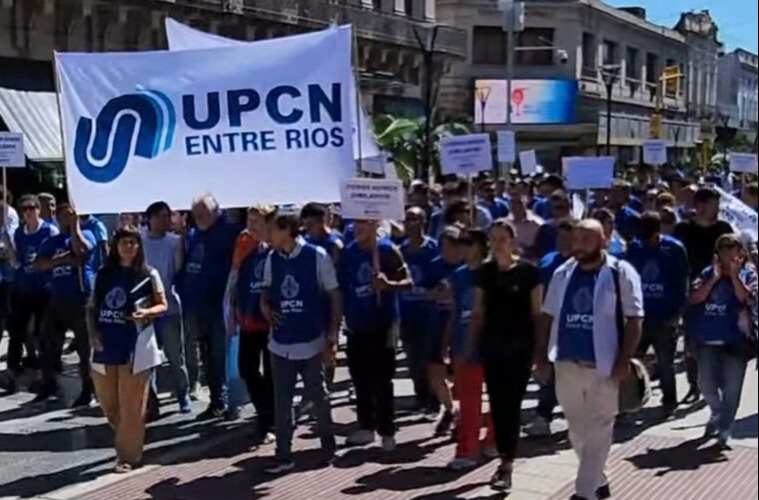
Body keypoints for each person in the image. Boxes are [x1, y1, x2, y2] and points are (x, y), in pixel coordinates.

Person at [536, 219, 644, 500]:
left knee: (599, 429)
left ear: (603, 241)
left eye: (587, 240)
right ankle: (599, 479)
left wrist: (623, 360)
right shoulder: (562, 273)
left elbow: (634, 320)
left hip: (604, 366)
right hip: (566, 363)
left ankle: (584, 493)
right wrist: (541, 358)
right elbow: (547, 316)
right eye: (576, 240)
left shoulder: (621, 273)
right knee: (576, 431)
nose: (579, 246)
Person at [260, 212, 340, 475]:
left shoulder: (317, 256)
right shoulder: (272, 258)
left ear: (286, 230)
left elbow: (334, 296)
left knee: (318, 396)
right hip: (280, 342)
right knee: (282, 401)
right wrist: (264, 306)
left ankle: (328, 446)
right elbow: (266, 290)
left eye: (272, 230)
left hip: (312, 341)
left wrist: (332, 335)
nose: (268, 235)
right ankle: (283, 454)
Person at [466, 220, 543, 492]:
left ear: (513, 241)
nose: (497, 244)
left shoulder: (529, 273)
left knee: (512, 404)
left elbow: (537, 315)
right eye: (493, 239)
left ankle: (507, 461)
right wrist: (470, 346)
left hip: (520, 349)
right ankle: (504, 457)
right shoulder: (485, 272)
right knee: (498, 406)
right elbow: (478, 312)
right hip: (492, 348)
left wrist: (540, 354)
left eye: (502, 238)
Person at [87, 227, 168, 473]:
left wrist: (147, 313)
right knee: (109, 404)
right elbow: (91, 307)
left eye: (133, 242)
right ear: (116, 246)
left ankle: (128, 457)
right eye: (124, 242)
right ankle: (129, 434)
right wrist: (92, 334)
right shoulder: (104, 274)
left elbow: (162, 304)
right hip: (105, 346)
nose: (129, 247)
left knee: (132, 406)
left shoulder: (148, 274)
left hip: (136, 346)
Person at [339, 220, 412, 451]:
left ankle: (387, 430)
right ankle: (365, 427)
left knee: (382, 380)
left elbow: (408, 282)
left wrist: (388, 284)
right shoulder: (348, 252)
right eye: (356, 223)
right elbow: (343, 288)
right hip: (356, 325)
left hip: (383, 323)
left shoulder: (387, 250)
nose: (358, 228)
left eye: (364, 223)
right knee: (360, 379)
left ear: (374, 225)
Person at [688, 234, 758, 448]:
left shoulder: (749, 274)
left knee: (732, 387)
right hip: (708, 338)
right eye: (723, 248)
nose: (728, 252)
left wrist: (735, 277)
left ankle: (724, 429)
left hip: (737, 340)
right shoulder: (708, 273)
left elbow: (747, 299)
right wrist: (714, 279)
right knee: (706, 383)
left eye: (732, 247)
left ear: (740, 252)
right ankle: (717, 412)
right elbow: (695, 298)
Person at [33, 203, 98, 407]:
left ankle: (89, 389)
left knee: (84, 348)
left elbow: (82, 252)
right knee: (47, 342)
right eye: (62, 216)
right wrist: (62, 260)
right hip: (57, 297)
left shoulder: (86, 234)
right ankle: (48, 383)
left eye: (69, 216)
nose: (65, 219)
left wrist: (75, 227)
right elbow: (39, 264)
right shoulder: (51, 241)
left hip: (80, 297)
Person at [180, 195, 238, 420]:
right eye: (195, 214)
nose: (198, 218)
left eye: (203, 214)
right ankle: (217, 401)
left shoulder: (230, 233)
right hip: (199, 307)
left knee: (221, 356)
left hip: (220, 307)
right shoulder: (196, 234)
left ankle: (231, 402)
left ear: (216, 211)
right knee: (208, 357)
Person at [626, 212, 690, 417]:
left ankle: (669, 401)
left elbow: (683, 282)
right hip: (640, 316)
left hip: (665, 315)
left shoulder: (674, 249)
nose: (648, 242)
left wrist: (677, 314)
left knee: (665, 363)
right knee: (631, 360)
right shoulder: (635, 249)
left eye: (651, 237)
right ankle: (629, 401)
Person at [675, 186, 734, 403]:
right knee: (692, 339)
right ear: (700, 205)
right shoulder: (683, 230)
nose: (717, 209)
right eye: (713, 205)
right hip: (692, 289)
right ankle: (695, 384)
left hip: (720, 290)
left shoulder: (724, 229)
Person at [445, 228, 496, 471]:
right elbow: (455, 311)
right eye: (461, 243)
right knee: (468, 403)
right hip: (464, 347)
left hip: (492, 346)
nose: (463, 247)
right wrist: (447, 342)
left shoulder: (495, 273)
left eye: (469, 243)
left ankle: (493, 440)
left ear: (482, 246)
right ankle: (467, 449)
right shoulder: (458, 275)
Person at [2, 195, 59, 394]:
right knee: (16, 331)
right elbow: (16, 261)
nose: (28, 212)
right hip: (23, 288)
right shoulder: (19, 233)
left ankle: (46, 372)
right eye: (24, 209)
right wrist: (9, 247)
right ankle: (12, 369)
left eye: (32, 208)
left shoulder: (49, 231)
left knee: (42, 332)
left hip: (43, 289)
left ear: (38, 209)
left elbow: (56, 257)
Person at [525, 218, 576, 437]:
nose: (563, 242)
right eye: (560, 237)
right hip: (549, 323)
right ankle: (543, 417)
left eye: (568, 238)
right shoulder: (548, 261)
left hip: (573, 328)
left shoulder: (583, 265)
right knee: (549, 373)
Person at [232, 205, 276, 445]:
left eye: (256, 221)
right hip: (249, 320)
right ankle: (265, 414)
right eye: (249, 220)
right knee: (247, 369)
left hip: (270, 323)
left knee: (271, 374)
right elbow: (236, 278)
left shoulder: (275, 248)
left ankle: (269, 422)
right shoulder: (245, 246)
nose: (251, 226)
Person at [142, 201, 191, 415]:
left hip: (169, 305)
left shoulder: (175, 242)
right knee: (148, 358)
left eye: (167, 216)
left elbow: (178, 269)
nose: (165, 220)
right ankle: (151, 400)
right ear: (150, 218)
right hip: (146, 307)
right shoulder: (140, 241)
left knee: (174, 356)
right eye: (161, 216)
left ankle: (183, 394)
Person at [399, 207, 440, 416]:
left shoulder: (434, 248)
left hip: (430, 315)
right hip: (407, 314)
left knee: (430, 360)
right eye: (407, 219)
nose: (410, 223)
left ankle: (435, 400)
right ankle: (421, 398)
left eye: (415, 219)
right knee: (413, 360)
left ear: (424, 222)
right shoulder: (400, 250)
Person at [425, 225, 466, 437]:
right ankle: (450, 409)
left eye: (453, 246)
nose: (448, 251)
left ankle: (464, 418)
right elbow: (424, 292)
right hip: (438, 323)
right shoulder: (434, 266)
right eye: (444, 247)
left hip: (461, 326)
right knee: (435, 374)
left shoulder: (467, 268)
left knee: (462, 375)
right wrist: (437, 291)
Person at [534, 190, 572, 259]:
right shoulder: (545, 229)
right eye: (555, 200)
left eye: (564, 201)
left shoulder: (576, 228)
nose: (559, 203)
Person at [507, 194, 544, 262]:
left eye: (519, 203)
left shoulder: (537, 223)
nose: (516, 206)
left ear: (525, 204)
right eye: (513, 203)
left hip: (532, 260)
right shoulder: (506, 224)